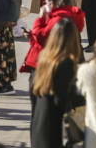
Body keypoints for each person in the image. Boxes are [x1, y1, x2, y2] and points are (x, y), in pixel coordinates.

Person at [30, 18, 82, 148]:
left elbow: (33, 94)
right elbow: (61, 100)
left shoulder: (43, 59)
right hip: (54, 129)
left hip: (38, 126)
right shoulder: (65, 63)